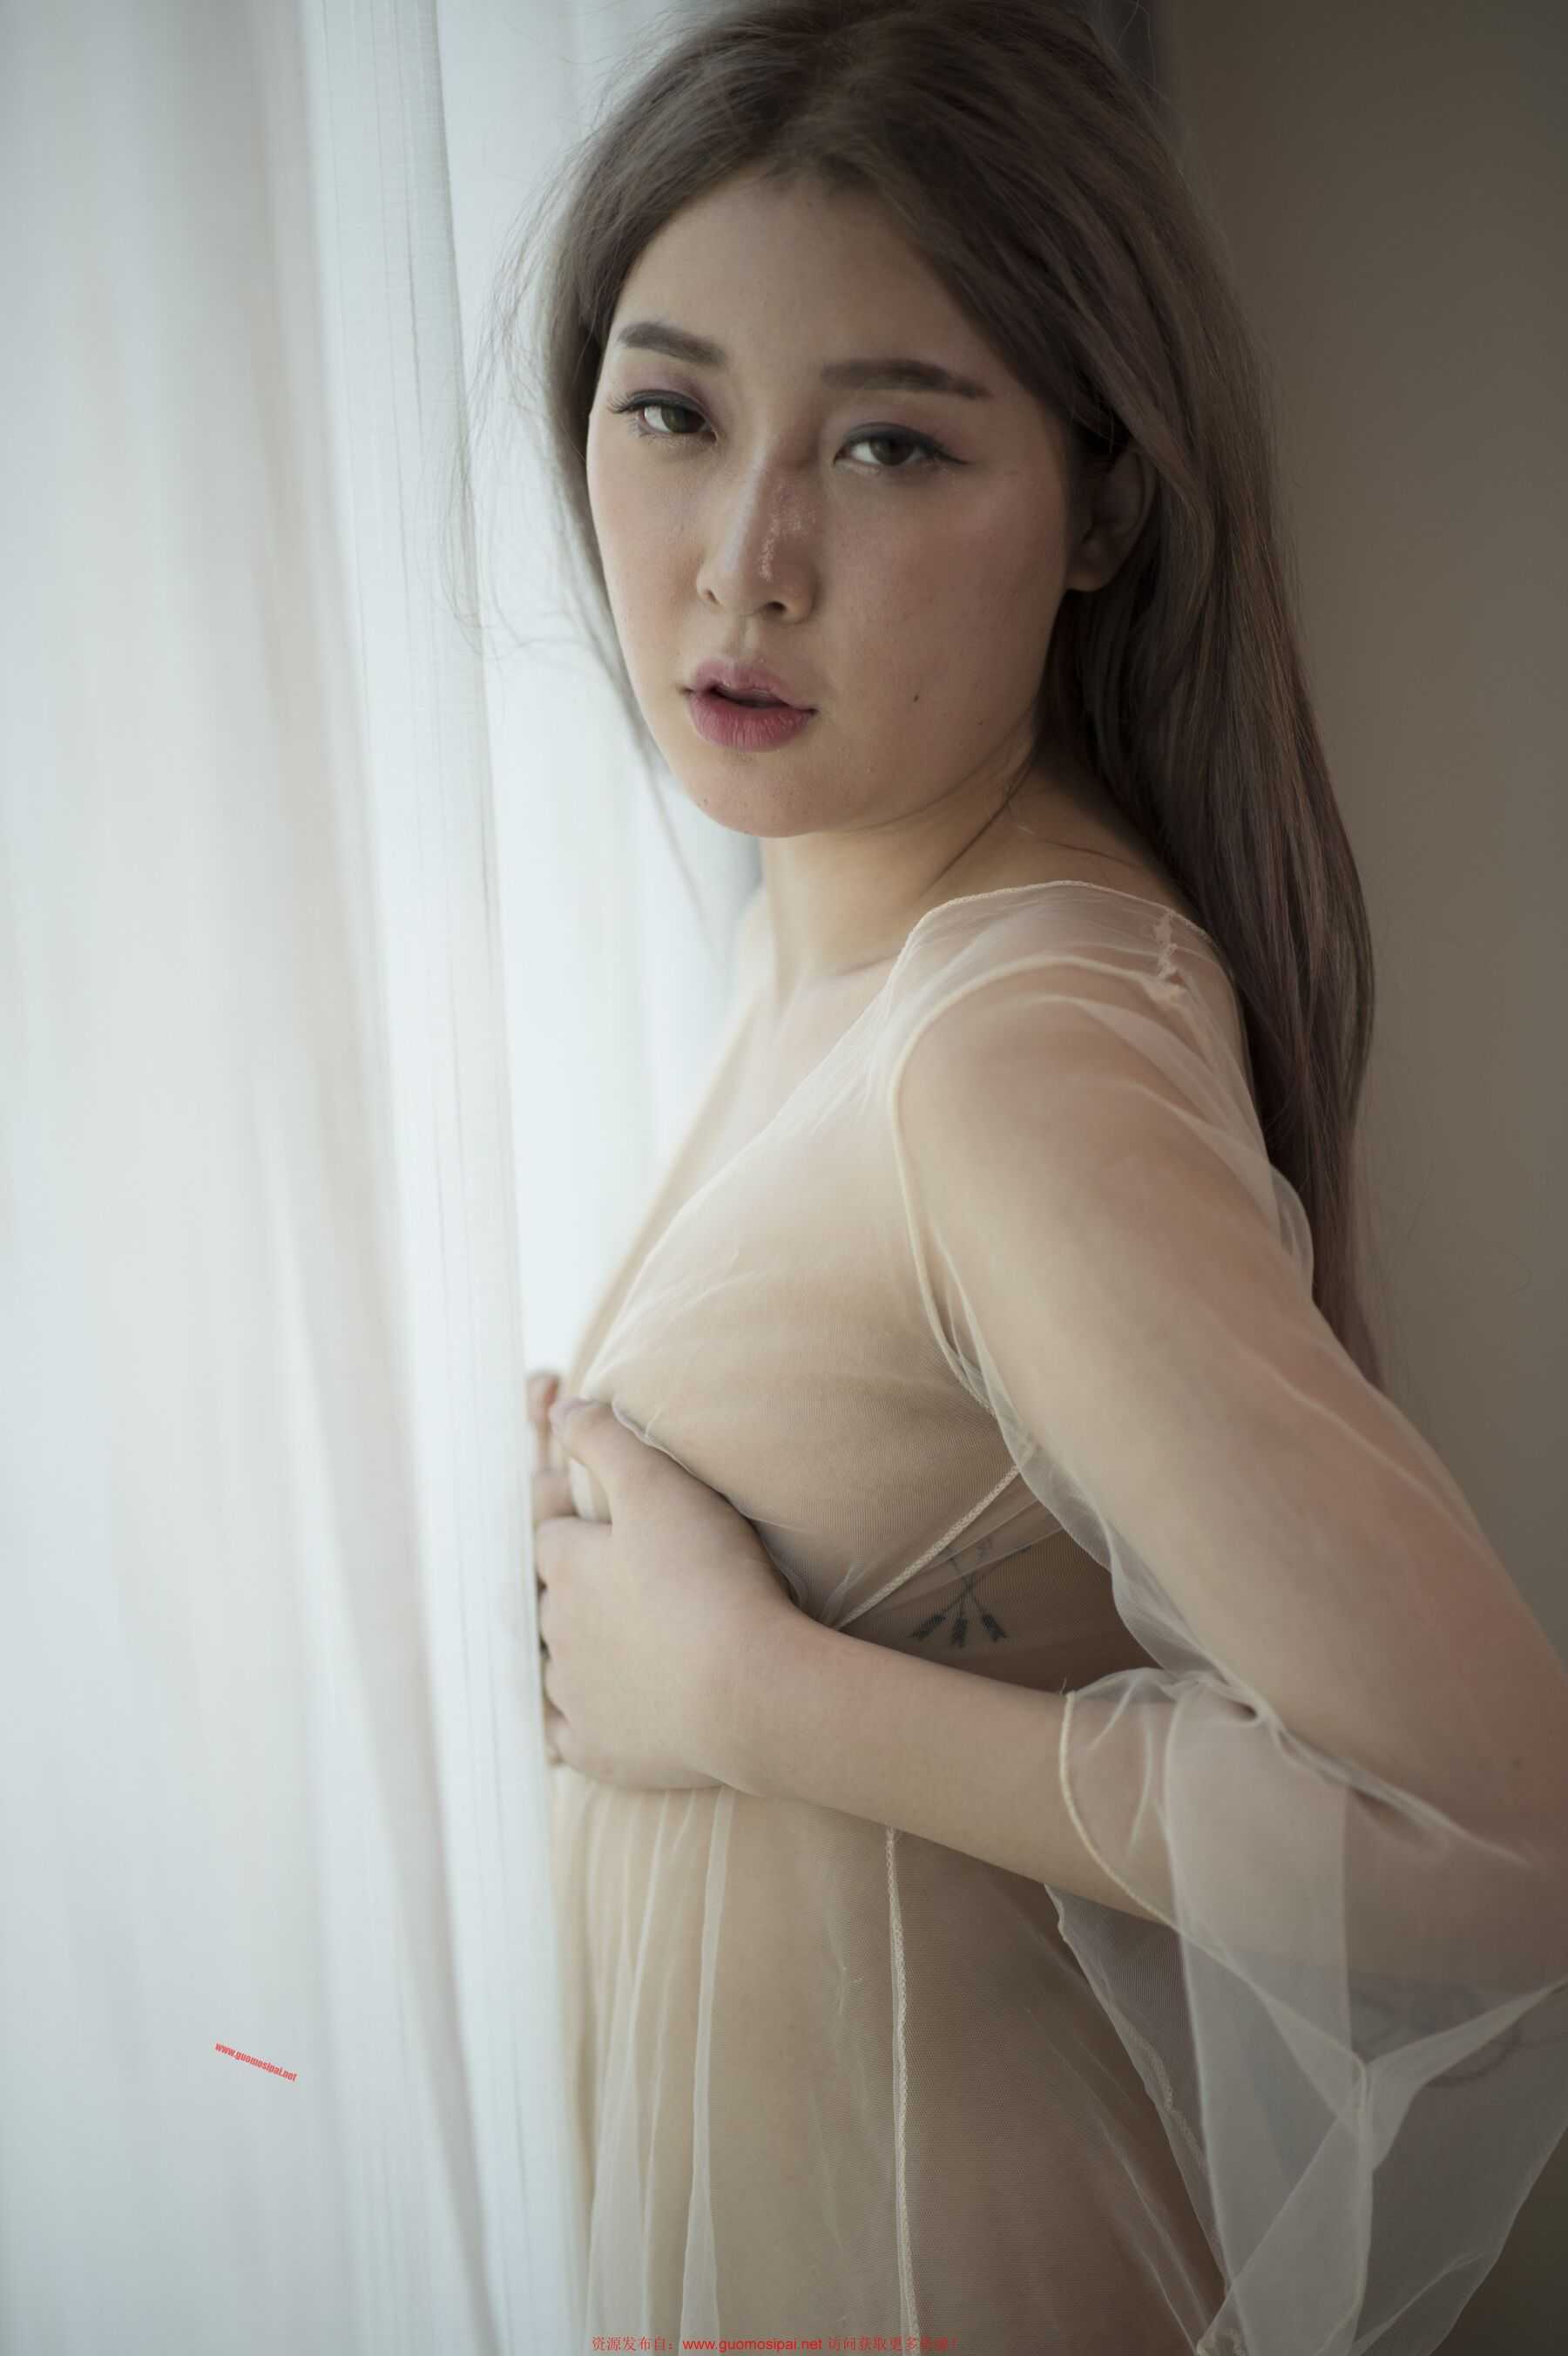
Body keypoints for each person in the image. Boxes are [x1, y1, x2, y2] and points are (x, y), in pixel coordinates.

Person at [499, 4, 1568, 2348]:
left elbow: (1504, 1855)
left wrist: (748, 1693)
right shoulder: (836, 937)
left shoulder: (1004, 1051)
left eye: (890, 444)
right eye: (672, 411)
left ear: (1105, 507)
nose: (746, 563)